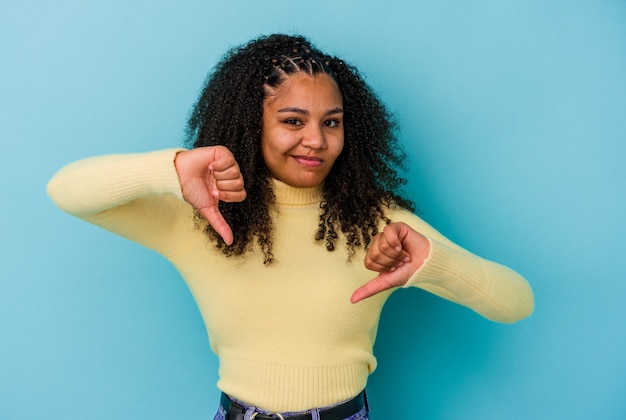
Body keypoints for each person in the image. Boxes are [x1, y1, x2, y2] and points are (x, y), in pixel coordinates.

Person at [47, 34, 534, 420]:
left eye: (332, 122)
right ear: (249, 122)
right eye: (293, 120)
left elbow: (515, 303)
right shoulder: (201, 219)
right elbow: (65, 190)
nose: (316, 141)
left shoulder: (380, 223)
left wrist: (431, 262)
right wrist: (172, 169)